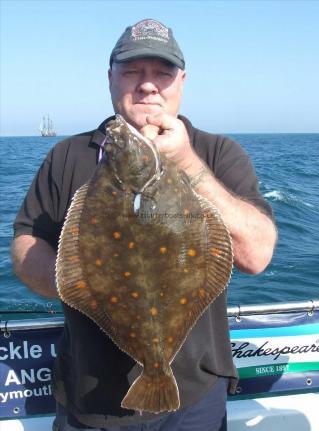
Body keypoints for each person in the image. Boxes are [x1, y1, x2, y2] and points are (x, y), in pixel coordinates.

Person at [11, 19, 277, 431]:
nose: (148, 85)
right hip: (89, 396)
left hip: (194, 397)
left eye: (162, 72)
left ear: (182, 81)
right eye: (133, 70)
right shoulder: (66, 156)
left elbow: (257, 256)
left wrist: (188, 164)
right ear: (110, 78)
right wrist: (75, 279)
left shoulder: (217, 153)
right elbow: (27, 238)